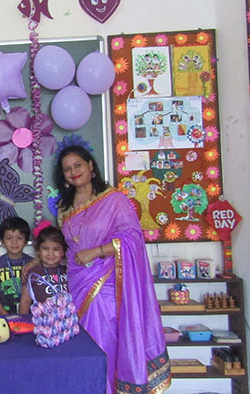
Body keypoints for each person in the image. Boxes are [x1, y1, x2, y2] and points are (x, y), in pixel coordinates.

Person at [56, 145, 170, 393]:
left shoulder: (114, 200)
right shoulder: (64, 208)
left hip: (106, 286)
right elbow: (67, 248)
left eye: (78, 165)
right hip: (76, 283)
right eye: (67, 169)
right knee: (80, 347)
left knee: (102, 344)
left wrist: (96, 252)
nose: (74, 171)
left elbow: (132, 239)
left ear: (91, 166)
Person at [18, 221, 68, 314]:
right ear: (38, 250)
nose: (50, 253)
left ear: (63, 252)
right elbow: (25, 301)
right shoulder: (31, 272)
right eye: (45, 248)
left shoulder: (67, 271)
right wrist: (22, 320)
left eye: (56, 249)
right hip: (41, 320)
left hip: (65, 320)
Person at [0, 217, 32, 315]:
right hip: (5, 314)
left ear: (26, 242)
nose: (14, 242)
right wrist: (3, 313)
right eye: (9, 238)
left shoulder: (31, 263)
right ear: (2, 242)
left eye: (19, 238)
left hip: (30, 315)